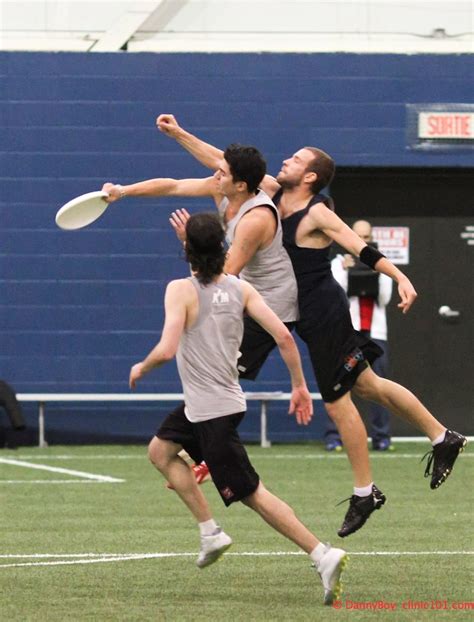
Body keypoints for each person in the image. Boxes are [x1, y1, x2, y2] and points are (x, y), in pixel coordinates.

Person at [155, 114, 467, 539]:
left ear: (311, 176)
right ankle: (442, 435)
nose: (286, 160)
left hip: (320, 308)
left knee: (346, 396)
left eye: (296, 159)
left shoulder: (318, 213)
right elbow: (221, 163)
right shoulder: (270, 190)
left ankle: (365, 491)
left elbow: (361, 247)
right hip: (276, 305)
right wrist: (178, 134)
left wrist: (400, 277)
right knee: (227, 369)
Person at [129, 212, 347, 606]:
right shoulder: (241, 288)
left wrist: (142, 366)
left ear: (189, 253)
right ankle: (210, 532)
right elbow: (284, 336)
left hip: (212, 412)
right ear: (224, 248)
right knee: (160, 451)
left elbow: (167, 348)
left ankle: (321, 553)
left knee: (252, 494)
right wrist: (299, 385)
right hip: (213, 404)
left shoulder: (180, 290)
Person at [102, 143, 300, 485]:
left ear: (240, 184)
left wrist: (187, 245)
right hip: (239, 297)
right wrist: (123, 191)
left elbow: (221, 274)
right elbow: (172, 185)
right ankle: (207, 452)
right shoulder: (222, 187)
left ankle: (212, 453)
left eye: (223, 171)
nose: (214, 173)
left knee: (217, 382)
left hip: (270, 307)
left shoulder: (254, 219)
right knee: (210, 379)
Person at [326, 220, 393, 452]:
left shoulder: (381, 263)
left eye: (366, 237)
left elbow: (384, 297)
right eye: (358, 236)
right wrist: (346, 271)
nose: (362, 241)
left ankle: (381, 436)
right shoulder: (337, 263)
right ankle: (335, 436)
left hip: (375, 332)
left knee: (380, 384)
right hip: (348, 331)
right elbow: (337, 295)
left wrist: (375, 273)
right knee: (339, 383)